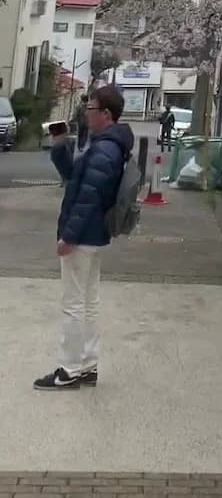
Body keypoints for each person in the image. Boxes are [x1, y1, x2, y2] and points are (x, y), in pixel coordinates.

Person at [34, 83, 134, 391]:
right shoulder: (108, 145)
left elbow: (89, 196)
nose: (86, 114)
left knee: (74, 304)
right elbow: (75, 176)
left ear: (106, 114)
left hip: (83, 235)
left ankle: (69, 370)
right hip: (94, 235)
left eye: (90, 109)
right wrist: (59, 144)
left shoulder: (104, 149)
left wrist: (69, 236)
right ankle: (87, 365)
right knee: (88, 301)